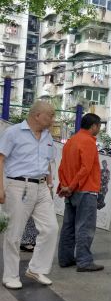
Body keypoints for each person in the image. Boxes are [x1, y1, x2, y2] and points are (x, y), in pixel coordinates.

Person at [0, 101, 59, 290]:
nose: (53, 119)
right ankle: (10, 275)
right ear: (37, 115)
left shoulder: (48, 136)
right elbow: (0, 159)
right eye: (50, 115)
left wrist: (49, 184)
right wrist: (0, 187)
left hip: (41, 186)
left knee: (50, 228)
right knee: (14, 233)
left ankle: (36, 269)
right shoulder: (13, 132)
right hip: (17, 185)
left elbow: (48, 162)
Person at [57, 113, 104, 272]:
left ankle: (65, 258)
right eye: (99, 126)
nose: (99, 129)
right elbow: (86, 168)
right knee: (85, 227)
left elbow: (62, 167)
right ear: (94, 126)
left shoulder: (71, 141)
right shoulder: (88, 142)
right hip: (85, 190)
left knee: (68, 226)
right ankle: (84, 261)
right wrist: (71, 186)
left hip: (71, 191)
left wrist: (66, 186)